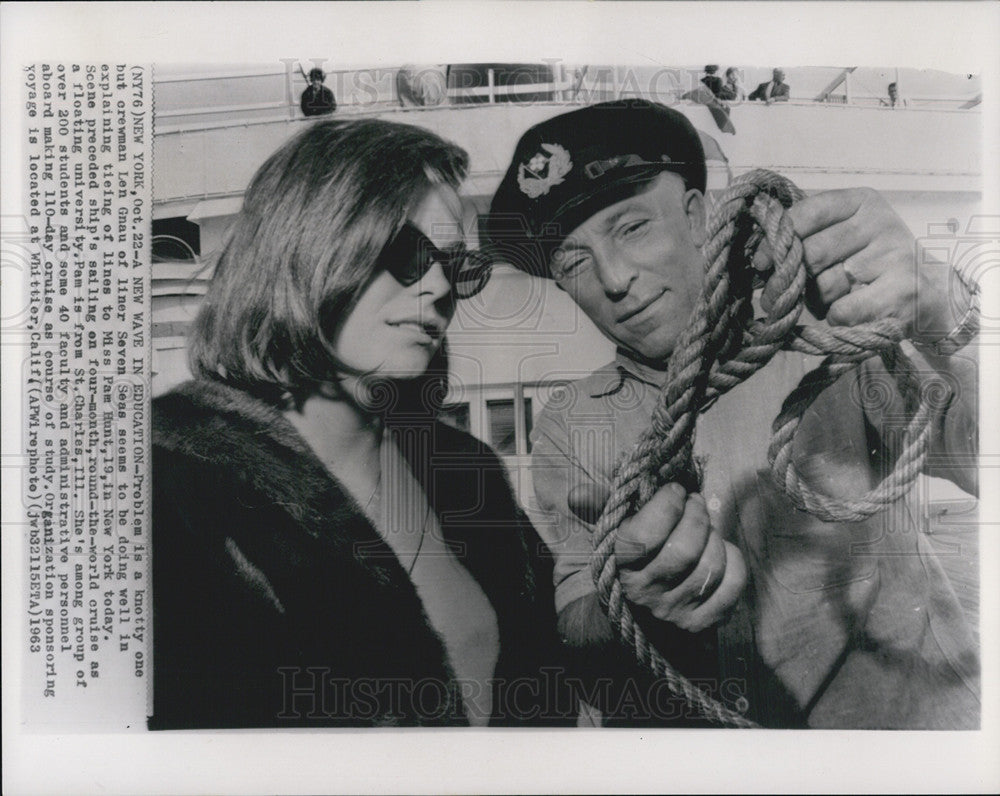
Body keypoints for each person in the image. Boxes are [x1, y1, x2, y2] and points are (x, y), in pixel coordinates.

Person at [485, 99, 979, 728]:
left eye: (631, 227)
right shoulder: (568, 420)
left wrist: (949, 316)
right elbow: (578, 622)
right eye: (574, 262)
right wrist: (629, 605)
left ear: (697, 218)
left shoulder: (830, 338)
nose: (612, 280)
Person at [150, 119, 575, 728]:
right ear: (310, 244)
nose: (437, 287)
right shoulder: (169, 482)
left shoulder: (462, 467)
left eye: (457, 267)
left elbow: (544, 680)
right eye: (406, 251)